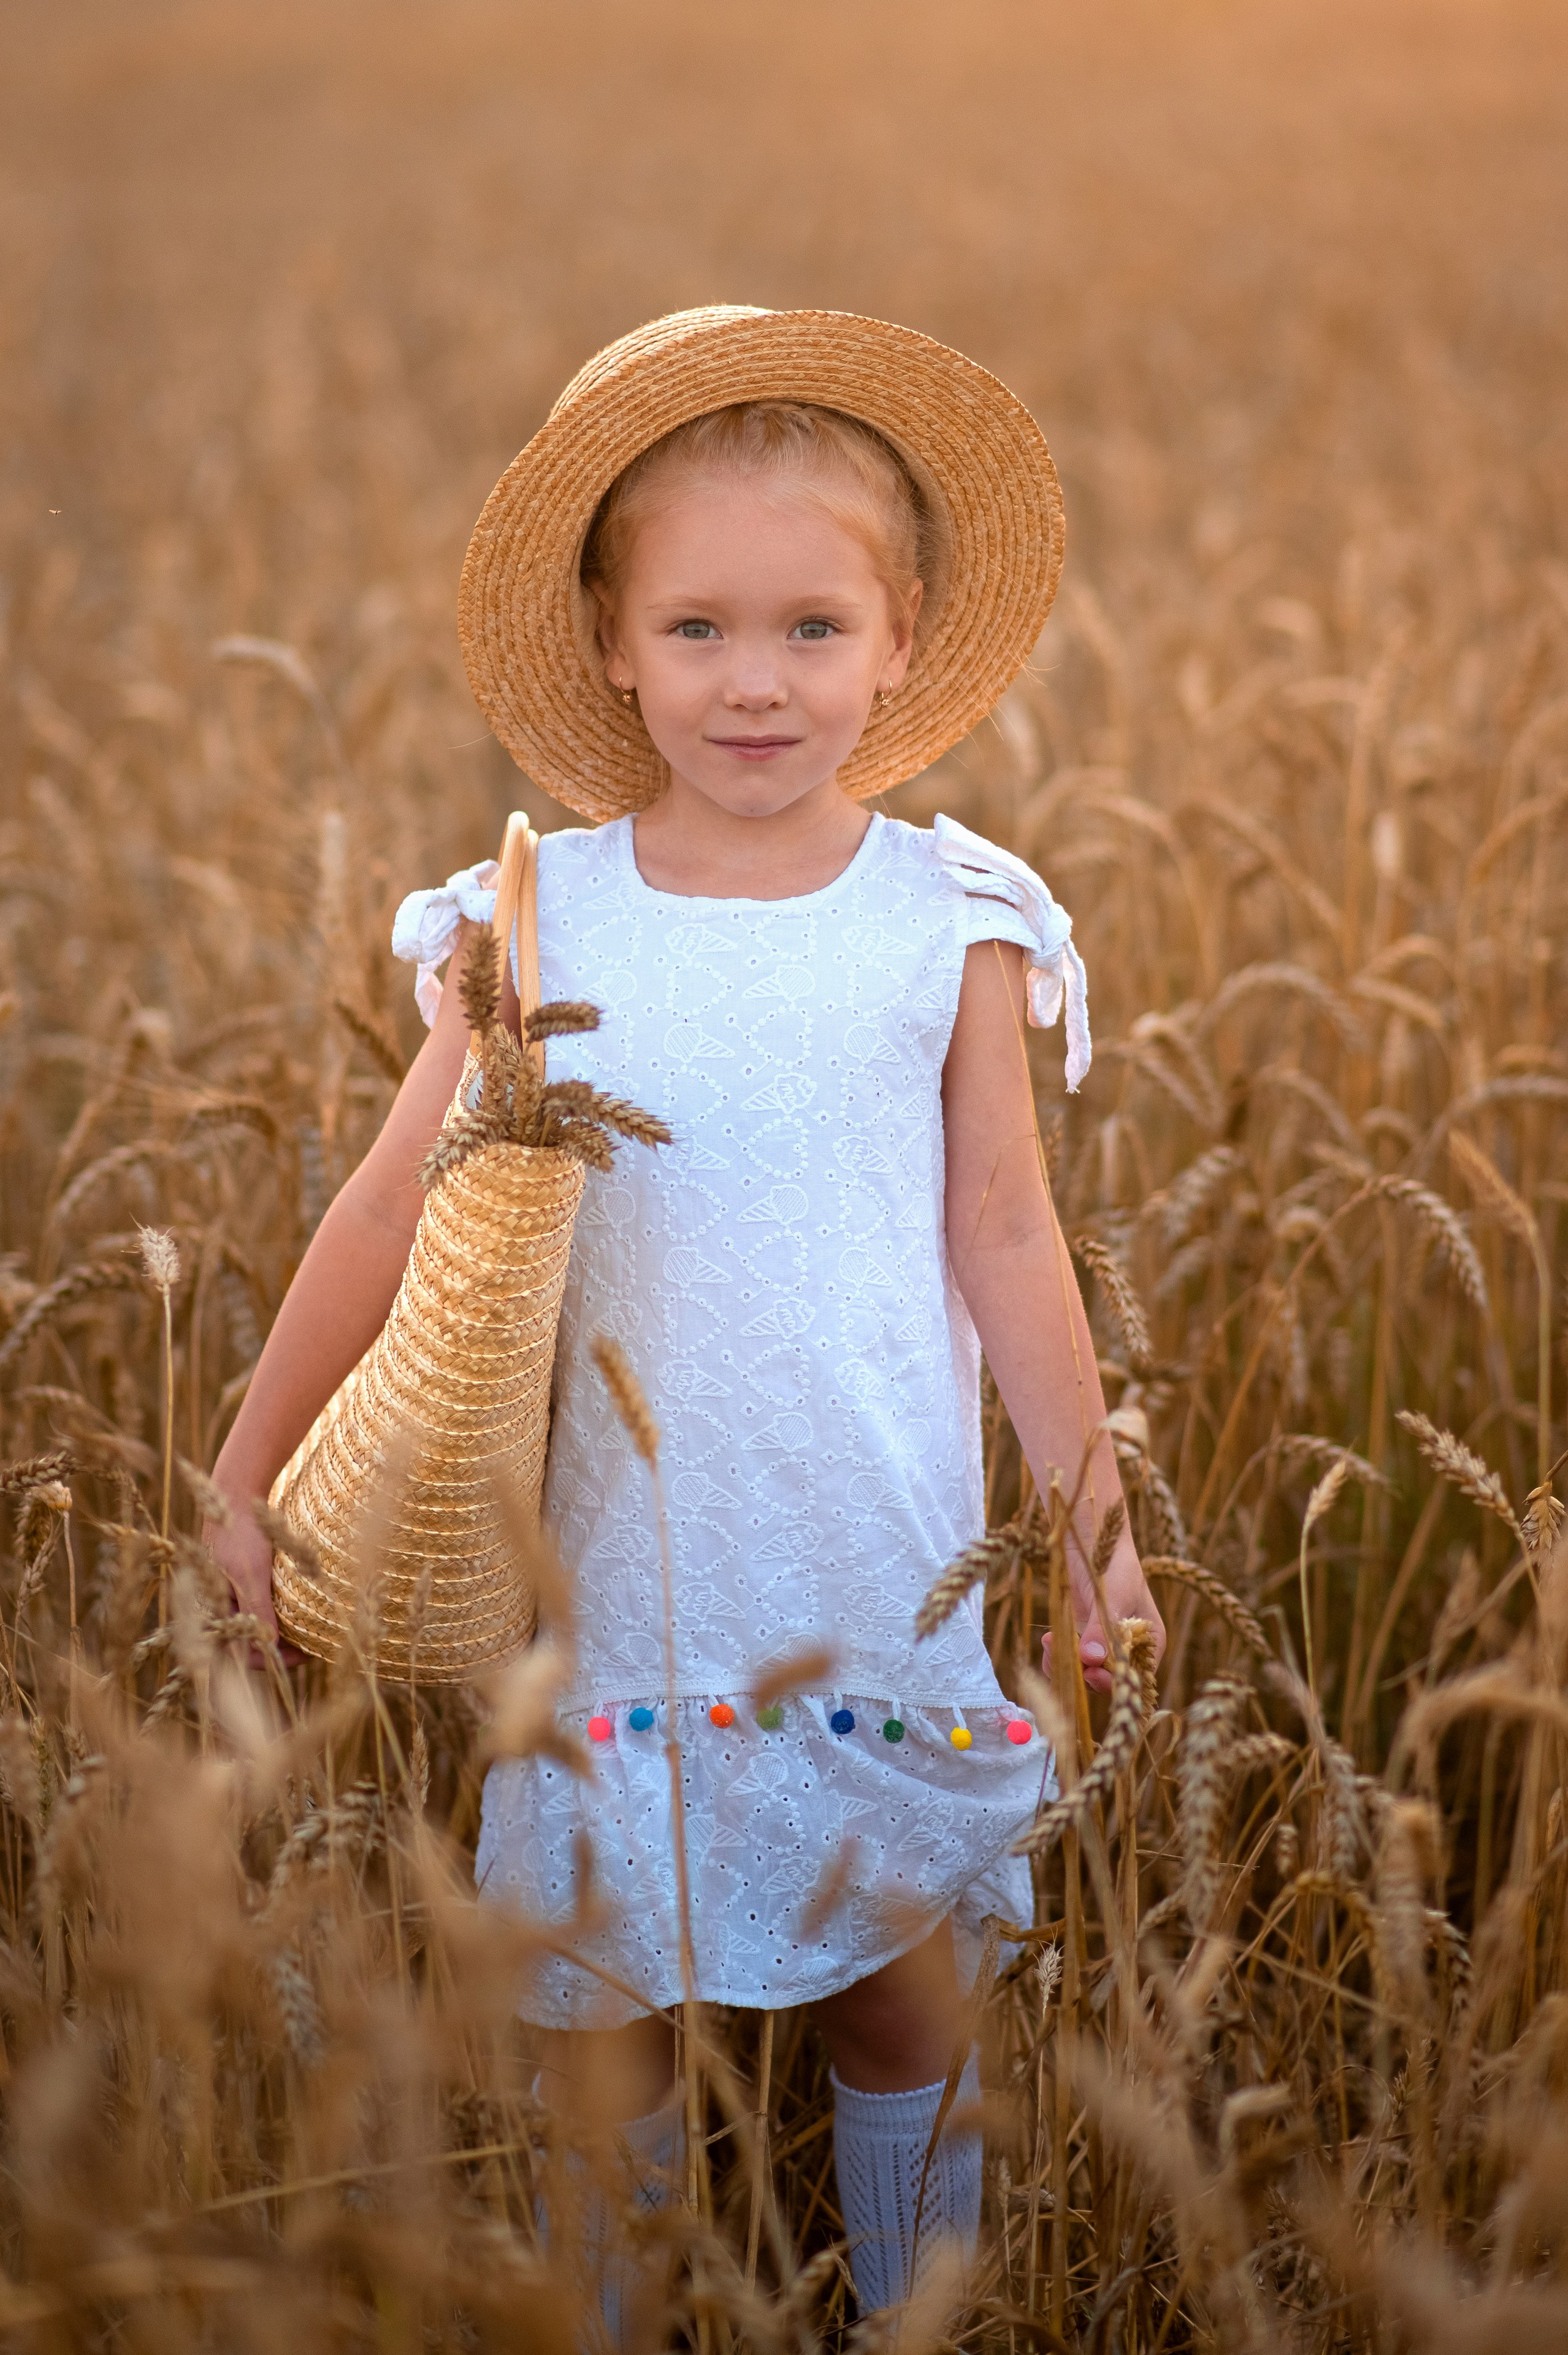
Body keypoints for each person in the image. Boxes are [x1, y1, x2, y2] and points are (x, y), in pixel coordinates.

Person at [210, 307, 1163, 2321]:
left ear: (900, 643)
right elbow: (389, 1202)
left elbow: (1010, 1232)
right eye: (700, 628)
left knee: (905, 2000)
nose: (756, 679)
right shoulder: (539, 915)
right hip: (625, 1587)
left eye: (814, 627)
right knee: (602, 2023)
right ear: (613, 644)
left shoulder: (950, 918)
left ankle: (917, 2320)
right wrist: (245, 1471)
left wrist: (1093, 1528)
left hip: (878, 1554)